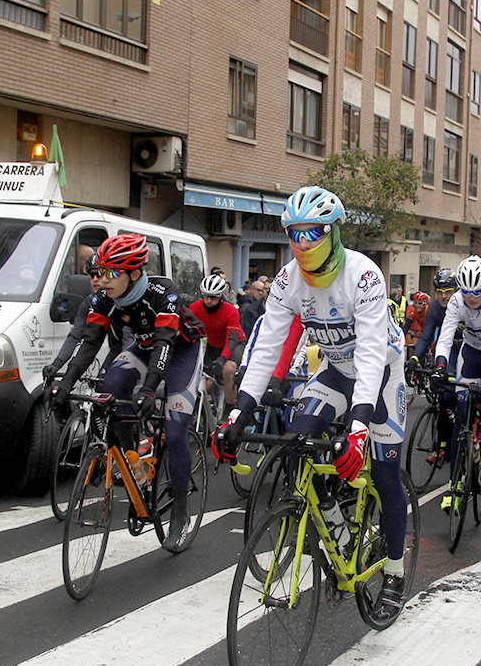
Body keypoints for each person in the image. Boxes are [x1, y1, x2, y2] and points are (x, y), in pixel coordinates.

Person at [213, 186, 410, 621]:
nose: (302, 244)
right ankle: (337, 529)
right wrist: (237, 414)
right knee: (298, 439)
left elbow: (373, 353)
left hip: (380, 374)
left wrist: (358, 429)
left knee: (383, 471)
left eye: (313, 233)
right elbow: (267, 346)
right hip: (338, 368)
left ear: (333, 231)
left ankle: (394, 570)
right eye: (294, 234)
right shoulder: (287, 281)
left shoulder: (363, 275)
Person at [49, 233, 205, 552]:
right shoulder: (106, 297)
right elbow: (90, 342)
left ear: (134, 273)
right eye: (100, 272)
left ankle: (179, 513)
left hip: (181, 352)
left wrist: (149, 390)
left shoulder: (164, 293)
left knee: (175, 432)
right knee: (112, 386)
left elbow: (164, 343)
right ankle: (135, 461)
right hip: (145, 348)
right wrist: (66, 383)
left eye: (110, 273)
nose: (102, 280)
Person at [432, 255, 481, 512]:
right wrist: (441, 366)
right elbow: (445, 336)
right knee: (461, 414)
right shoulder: (457, 300)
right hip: (472, 354)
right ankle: (453, 488)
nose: (471, 297)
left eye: (477, 291)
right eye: (466, 291)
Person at [405, 268, 461, 465]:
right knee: (444, 399)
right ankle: (442, 446)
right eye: (440, 292)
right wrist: (414, 359)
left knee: (463, 399)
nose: (444, 296)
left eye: (449, 291)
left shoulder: (465, 304)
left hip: (466, 352)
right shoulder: (436, 308)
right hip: (448, 353)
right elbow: (427, 335)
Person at [43, 254, 124, 384]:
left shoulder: (121, 299)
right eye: (92, 275)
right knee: (98, 387)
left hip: (133, 349)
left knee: (110, 385)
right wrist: (57, 363)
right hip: (116, 348)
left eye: (100, 274)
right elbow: (76, 335)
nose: (96, 279)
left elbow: (128, 342)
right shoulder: (89, 303)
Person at [190, 274, 246, 421]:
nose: (209, 300)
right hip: (213, 345)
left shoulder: (231, 311)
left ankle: (229, 409)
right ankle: (209, 411)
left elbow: (232, 340)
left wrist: (222, 359)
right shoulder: (195, 308)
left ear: (221, 296)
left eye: (213, 297)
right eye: (206, 296)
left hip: (234, 344)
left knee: (228, 369)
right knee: (206, 382)